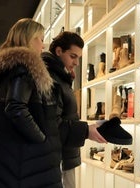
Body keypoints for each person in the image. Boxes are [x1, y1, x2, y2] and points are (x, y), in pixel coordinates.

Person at [0, 18, 106, 188]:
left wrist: (5, 132)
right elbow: (16, 108)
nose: (43, 45)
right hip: (29, 163)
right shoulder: (26, 67)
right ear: (27, 38)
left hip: (1, 156)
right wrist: (42, 140)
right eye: (40, 39)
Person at [42, 31, 106, 188]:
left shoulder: (60, 77)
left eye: (78, 57)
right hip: (58, 157)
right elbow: (52, 124)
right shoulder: (50, 79)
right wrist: (85, 130)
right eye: (73, 56)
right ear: (58, 51)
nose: (77, 63)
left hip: (63, 154)